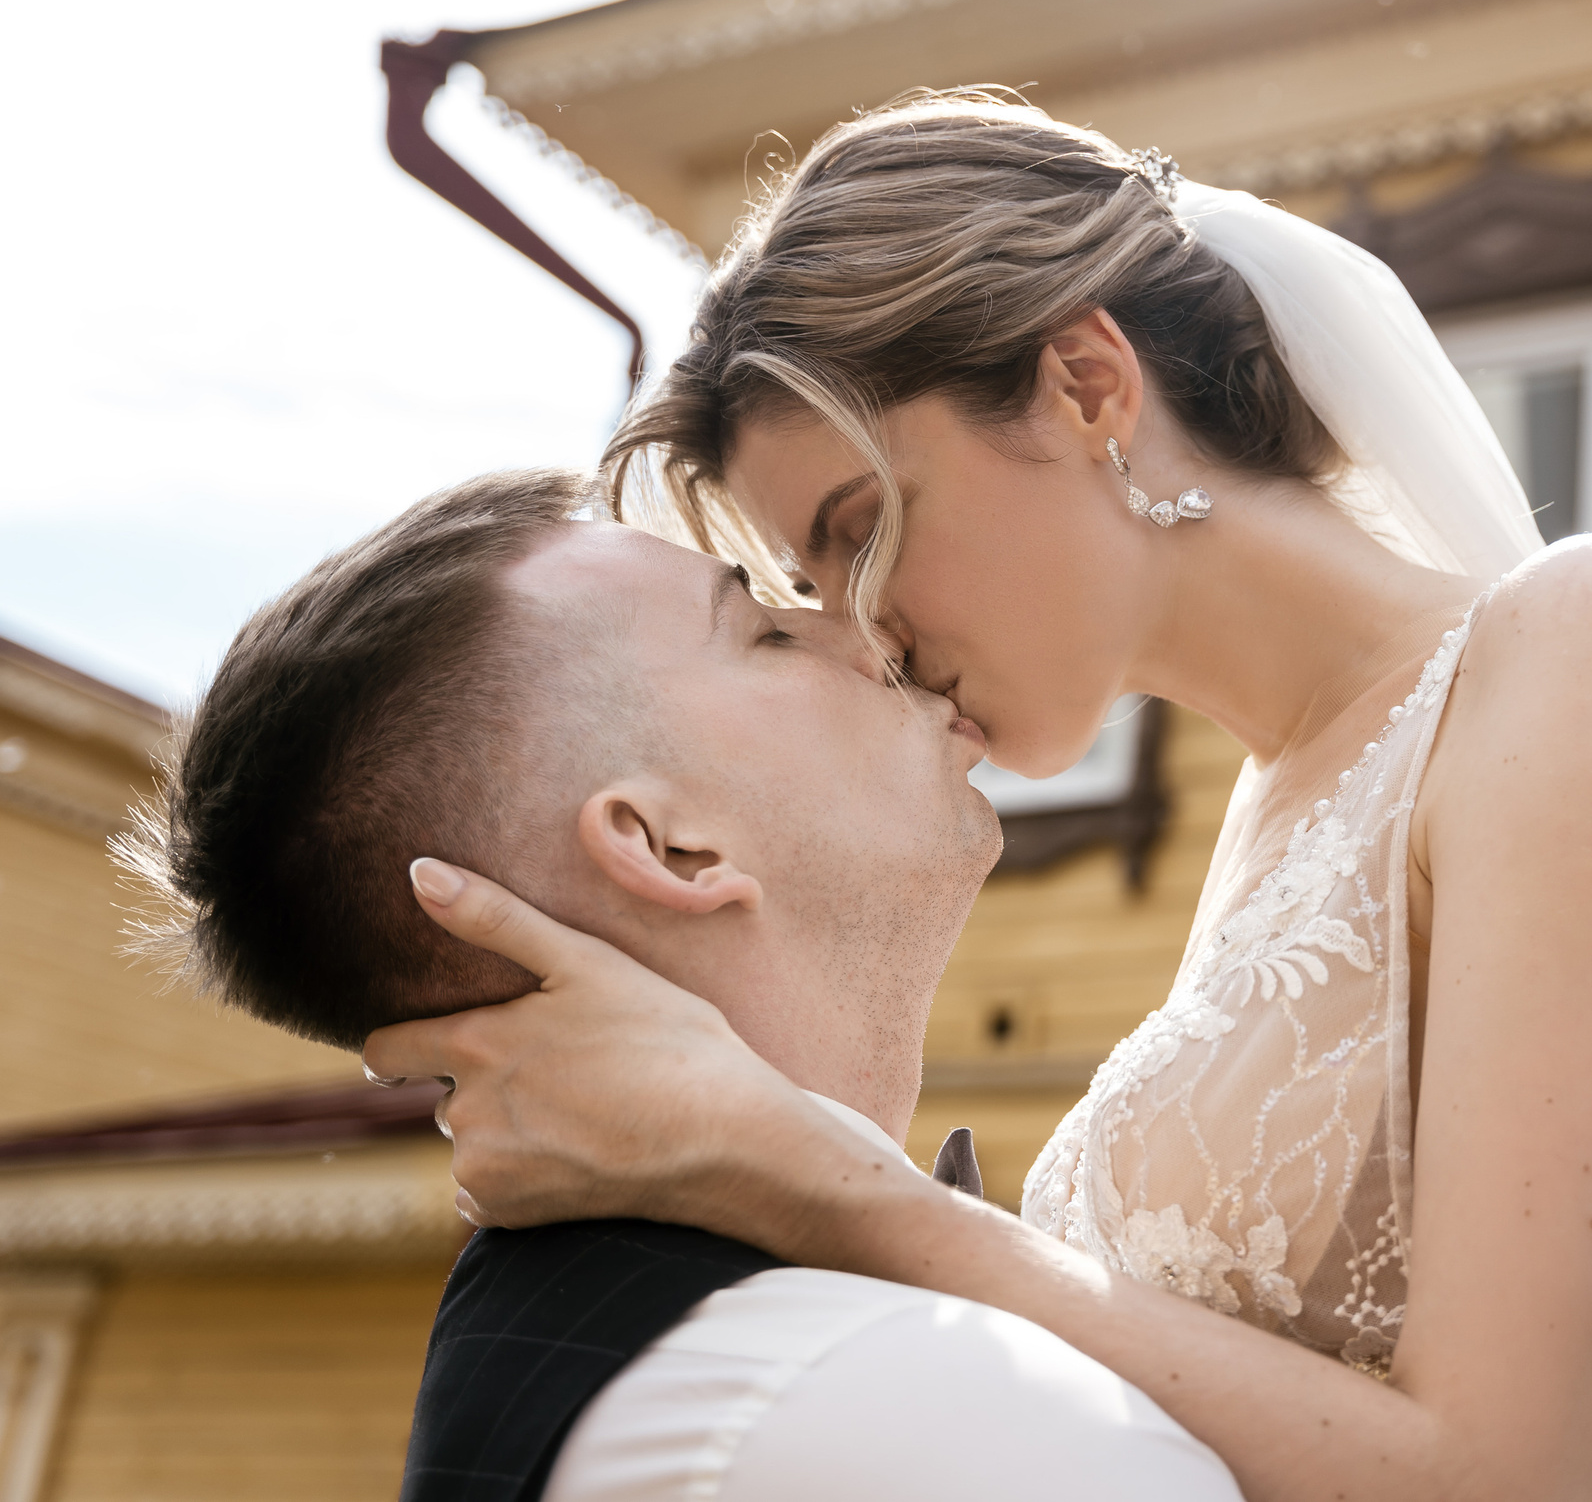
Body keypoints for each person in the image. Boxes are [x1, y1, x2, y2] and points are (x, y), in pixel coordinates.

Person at [361, 94, 1592, 1502]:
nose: (867, 631)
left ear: (1089, 381)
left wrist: (821, 1183)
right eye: (809, 586)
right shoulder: (1270, 819)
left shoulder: (1587, 645)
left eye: (858, 531)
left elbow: (1495, 1474)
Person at [122, 470, 1245, 1502]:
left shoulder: (693, 1362)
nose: (867, 626)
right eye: (761, 628)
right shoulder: (884, 1412)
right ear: (673, 849)